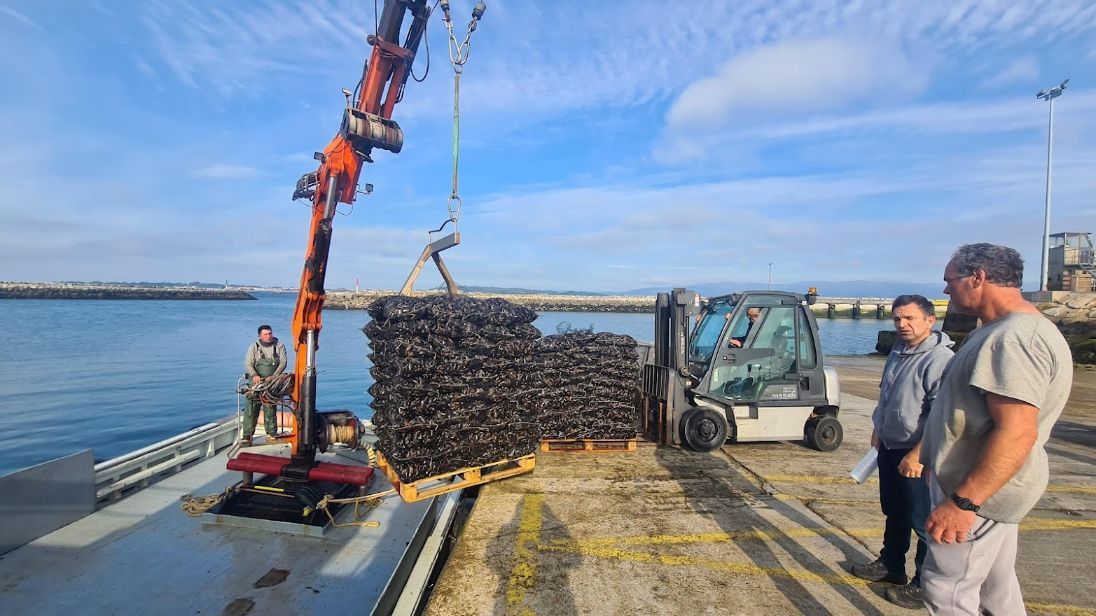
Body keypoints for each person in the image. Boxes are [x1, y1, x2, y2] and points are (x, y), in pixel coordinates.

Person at [919, 243, 1073, 615]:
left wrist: (964, 502)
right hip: (991, 492)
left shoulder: (1014, 339)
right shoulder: (1003, 331)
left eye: (950, 280)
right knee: (994, 593)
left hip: (979, 495)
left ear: (979, 277)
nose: (945, 290)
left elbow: (1017, 432)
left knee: (948, 590)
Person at [850, 294, 954, 609]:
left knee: (922, 520)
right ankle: (892, 564)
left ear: (929, 321)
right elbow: (887, 394)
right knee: (894, 510)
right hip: (890, 445)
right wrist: (878, 428)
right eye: (897, 318)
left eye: (909, 318)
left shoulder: (939, 359)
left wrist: (920, 454)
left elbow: (942, 413)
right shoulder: (898, 350)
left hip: (917, 452)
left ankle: (924, 584)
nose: (902, 324)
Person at [241, 324, 288, 446]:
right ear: (260, 336)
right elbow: (248, 364)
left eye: (270, 333)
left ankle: (272, 433)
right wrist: (254, 375)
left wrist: (275, 375)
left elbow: (283, 362)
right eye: (266, 334)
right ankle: (247, 436)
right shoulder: (254, 347)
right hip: (256, 383)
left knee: (270, 407)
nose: (269, 336)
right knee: (251, 409)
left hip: (272, 383)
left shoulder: (279, 346)